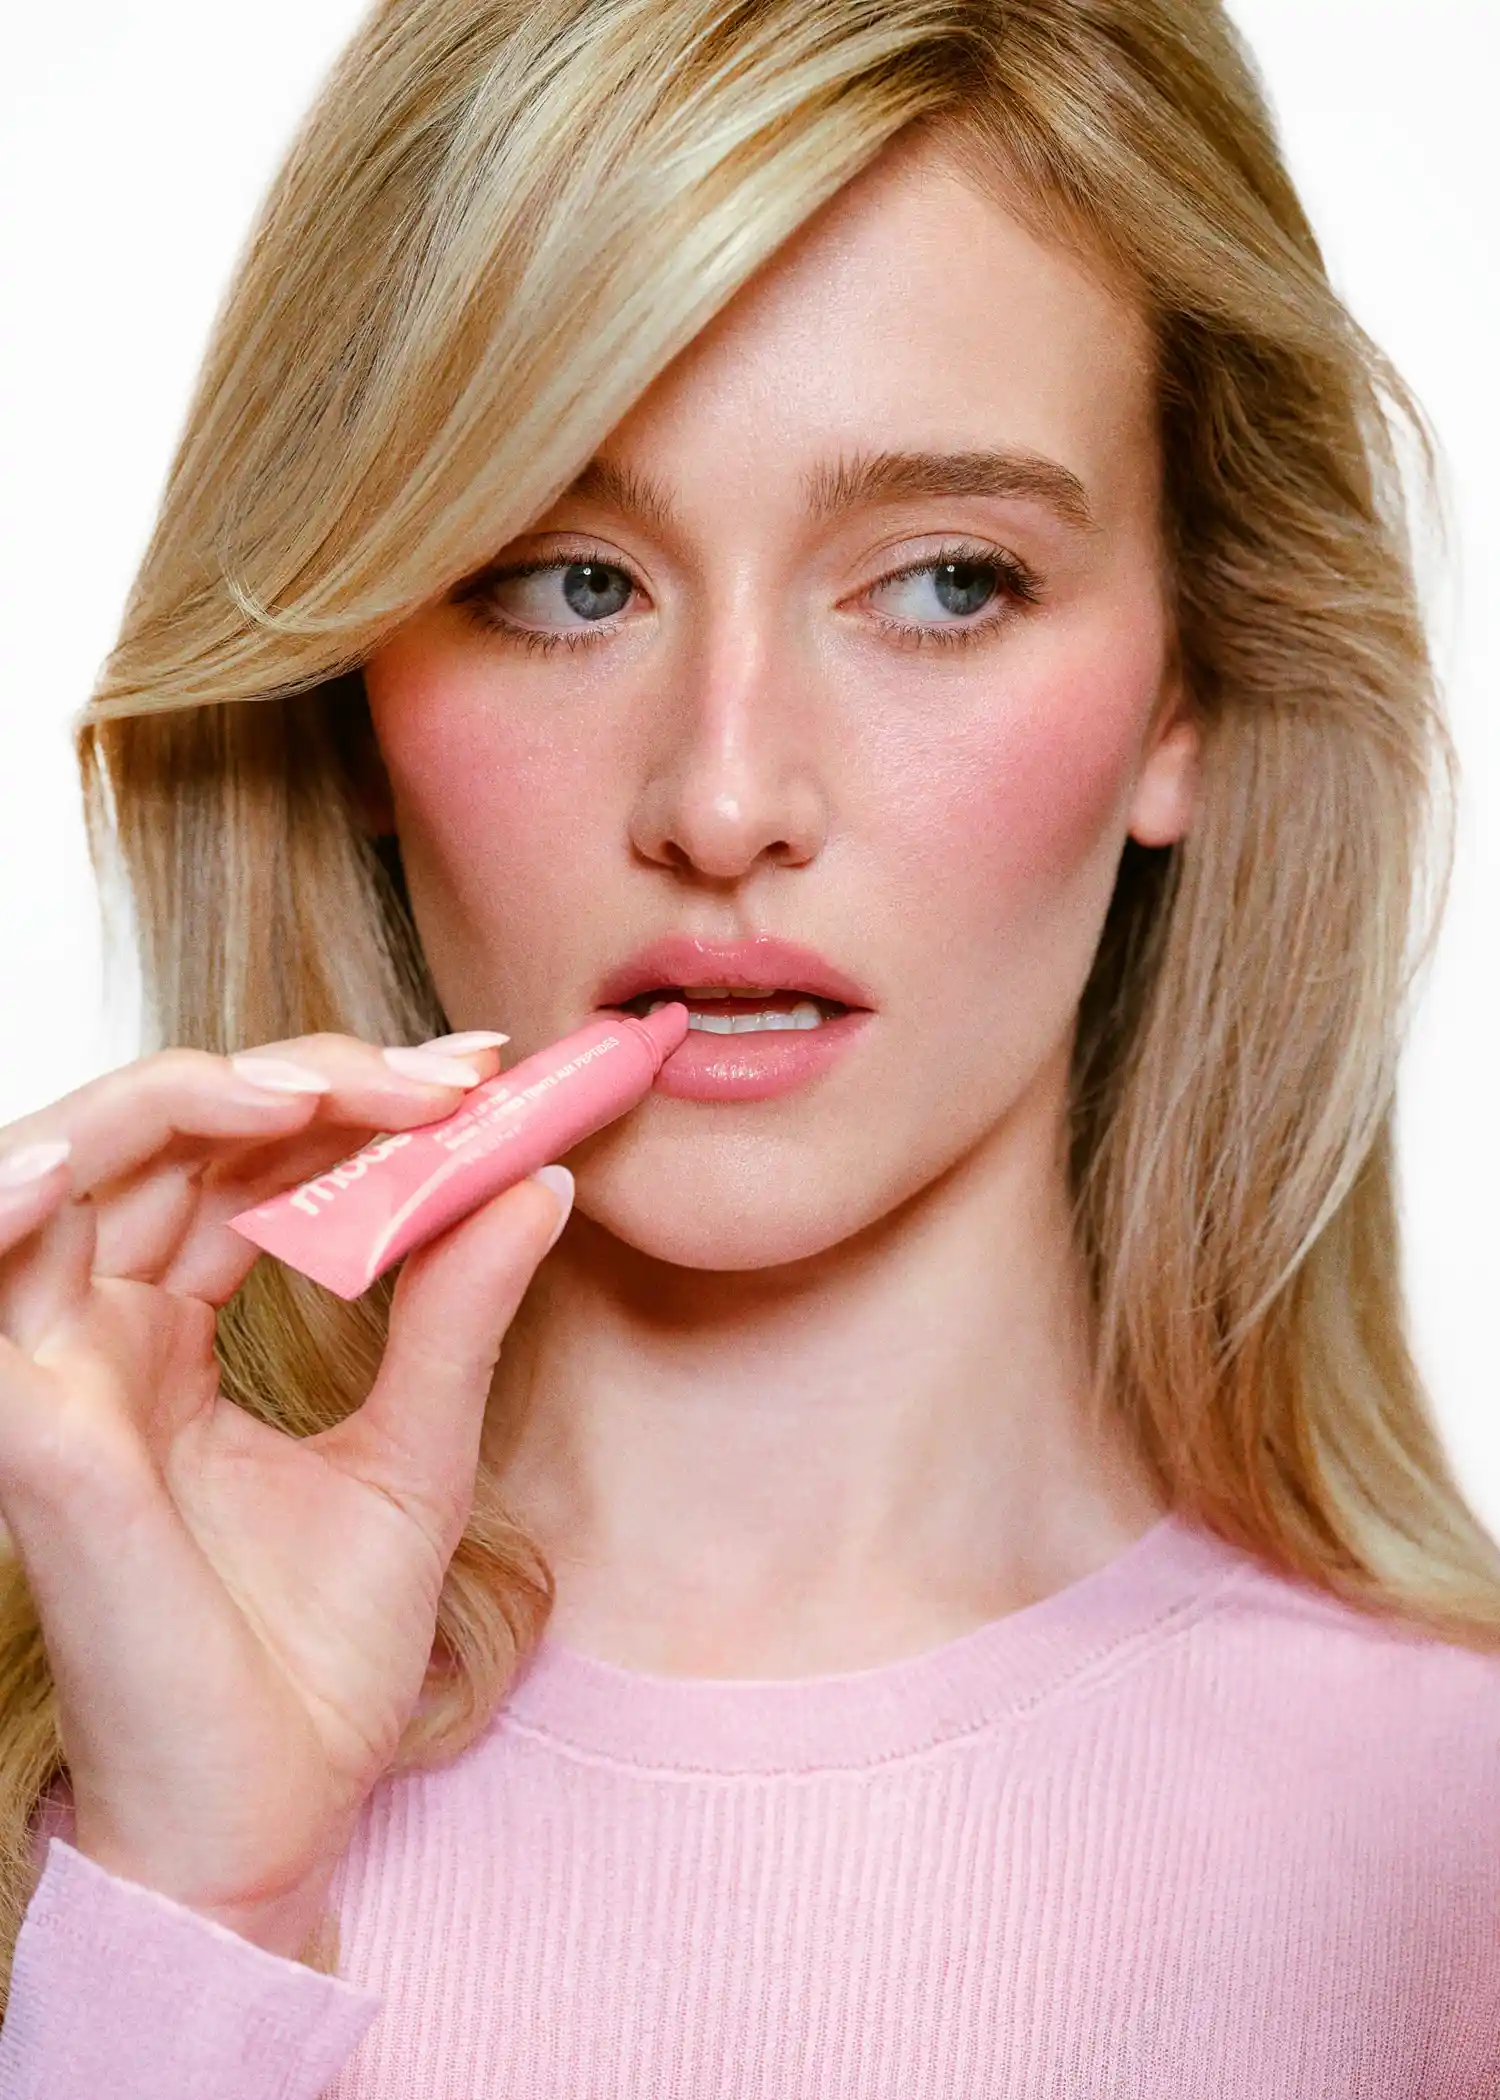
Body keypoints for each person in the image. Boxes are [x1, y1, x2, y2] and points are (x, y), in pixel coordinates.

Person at [0, 0, 1496, 2093]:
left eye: (948, 583)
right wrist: (189, 1924)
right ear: (346, 694)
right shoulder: (92, 1801)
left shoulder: (1452, 1839)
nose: (723, 802)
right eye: (564, 582)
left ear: (1194, 689)